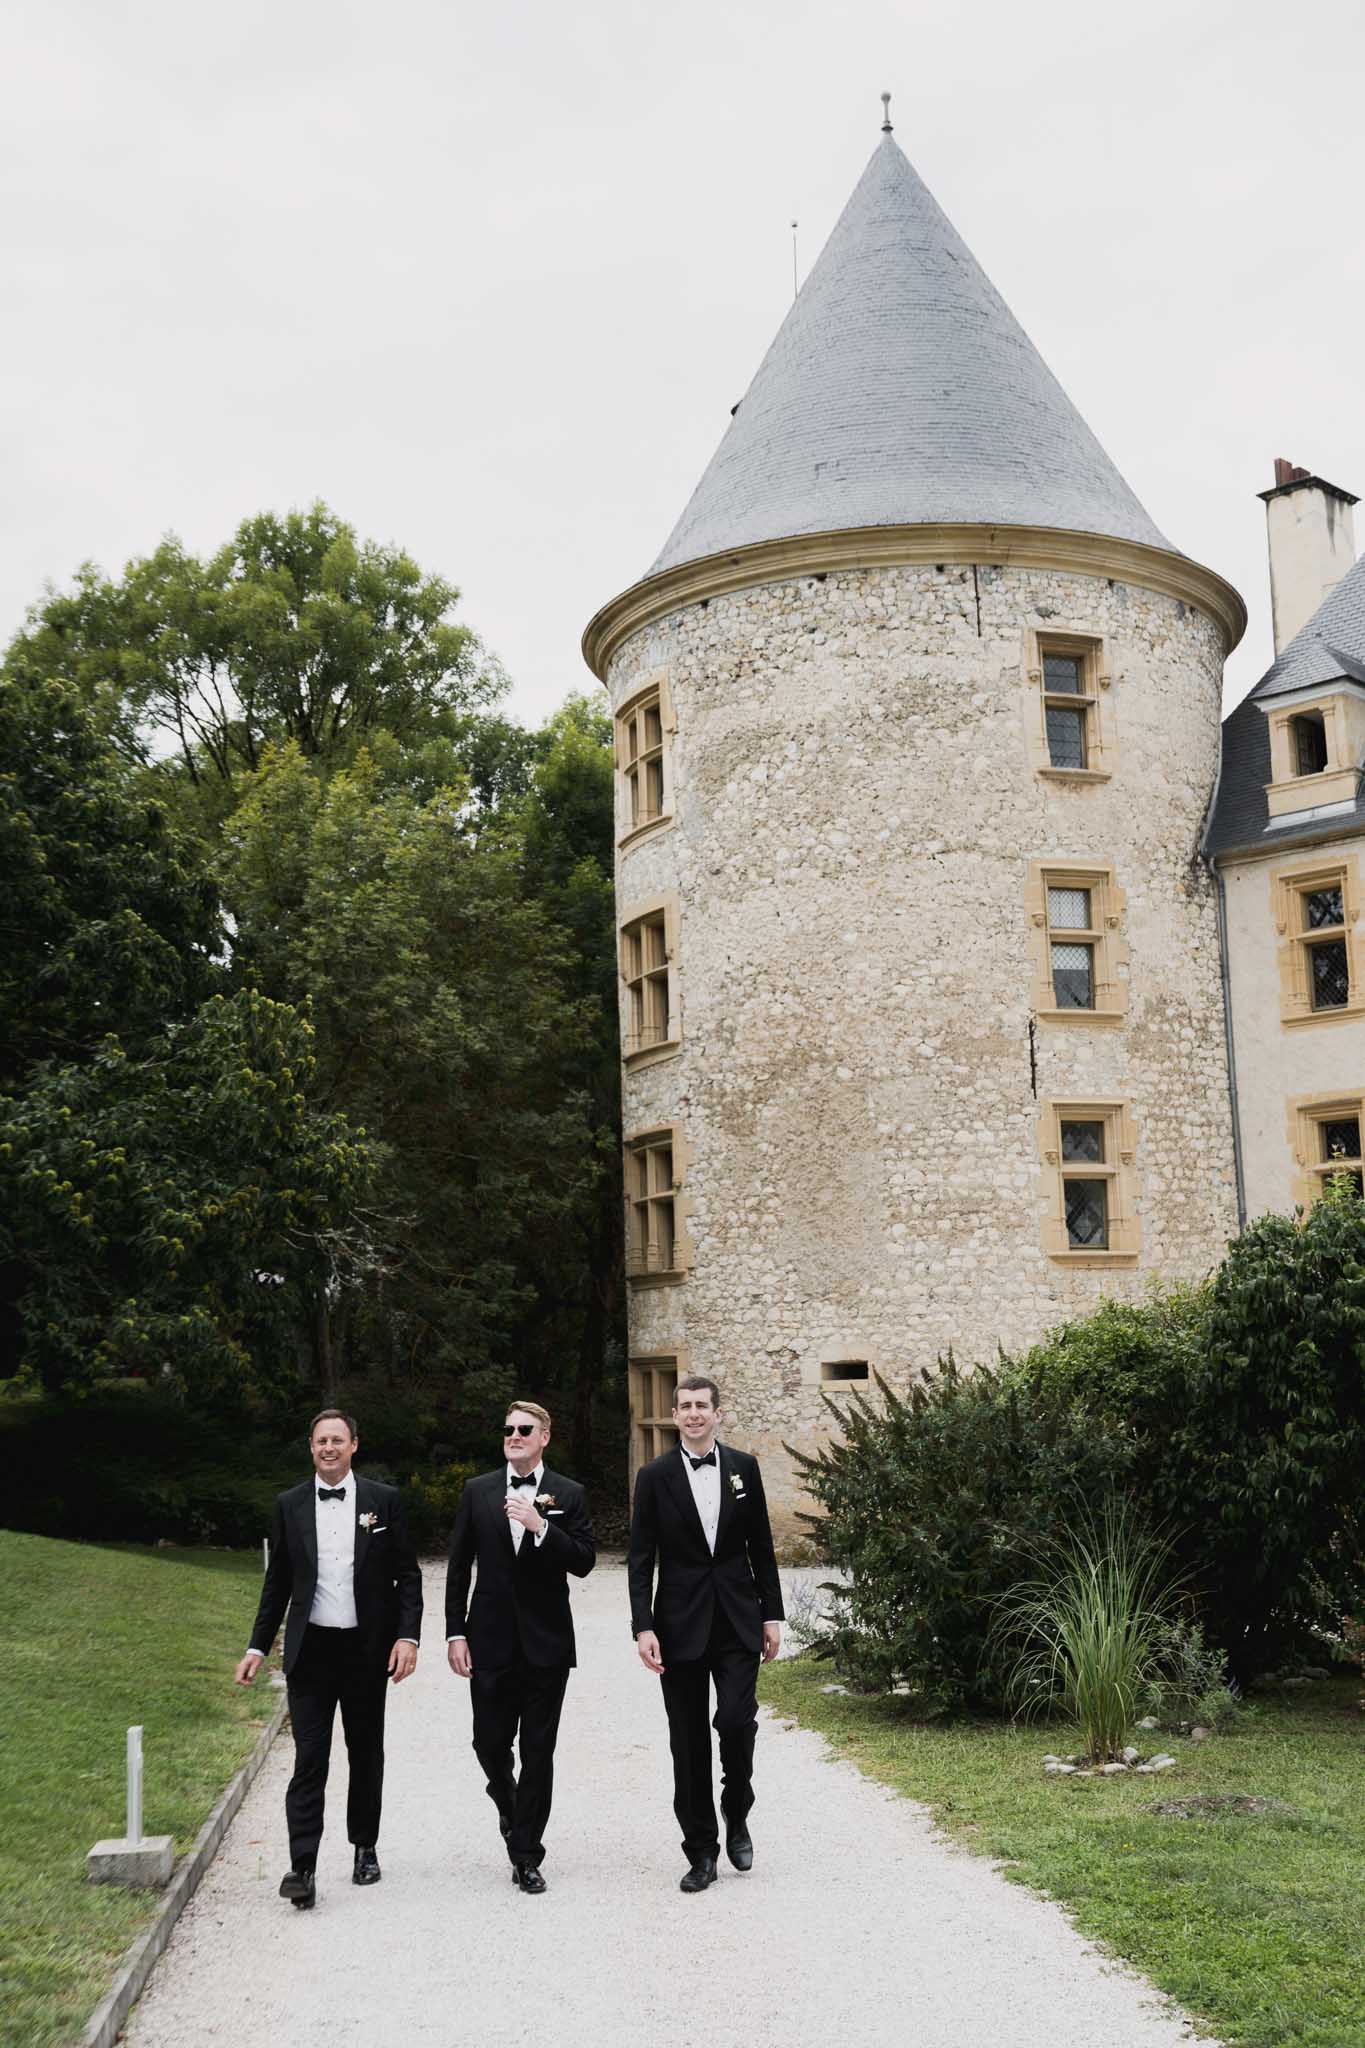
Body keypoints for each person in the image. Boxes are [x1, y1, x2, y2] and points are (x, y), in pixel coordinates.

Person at [234, 1408, 422, 1910]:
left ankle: (364, 1846)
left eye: (338, 1440)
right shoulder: (290, 1504)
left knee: (365, 1753)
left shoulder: (384, 1501)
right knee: (309, 1759)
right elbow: (277, 1584)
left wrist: (407, 1638)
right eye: (321, 1441)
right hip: (311, 1652)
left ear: (354, 1445)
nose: (329, 1448)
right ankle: (302, 1867)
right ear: (311, 1447)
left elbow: (408, 1575)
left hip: (366, 1649)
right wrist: (257, 1647)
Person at [627, 1375, 784, 1893]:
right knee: (688, 1741)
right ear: (675, 1415)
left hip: (737, 1618)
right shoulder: (654, 1477)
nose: (694, 1413)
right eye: (685, 1406)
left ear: (718, 1413)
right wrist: (643, 1626)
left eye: (702, 1405)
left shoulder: (744, 1468)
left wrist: (771, 1615)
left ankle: (737, 1811)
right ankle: (701, 1851)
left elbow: (761, 1546)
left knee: (737, 1722)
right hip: (678, 1625)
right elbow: (640, 1559)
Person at [445, 1399, 596, 1894]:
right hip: (488, 1639)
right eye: (509, 1428)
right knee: (488, 1742)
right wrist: (455, 1632)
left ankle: (527, 1854)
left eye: (524, 1429)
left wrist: (541, 1527)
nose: (514, 1435)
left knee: (538, 1750)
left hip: (546, 1643)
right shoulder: (478, 1491)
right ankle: (510, 1807)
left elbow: (584, 1561)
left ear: (544, 1437)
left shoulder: (568, 1493)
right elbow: (458, 1568)